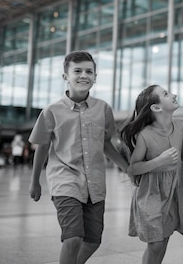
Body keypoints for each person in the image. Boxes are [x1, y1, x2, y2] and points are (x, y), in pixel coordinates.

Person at [28, 51, 129, 264]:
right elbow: (42, 146)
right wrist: (34, 181)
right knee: (73, 238)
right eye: (77, 71)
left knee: (93, 241)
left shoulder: (103, 109)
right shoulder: (51, 111)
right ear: (66, 76)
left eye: (89, 71)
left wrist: (126, 168)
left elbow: (105, 143)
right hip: (64, 180)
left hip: (95, 183)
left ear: (95, 76)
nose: (84, 75)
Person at [121, 85, 183, 264]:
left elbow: (182, 156)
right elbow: (133, 168)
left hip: (173, 191)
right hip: (150, 193)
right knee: (156, 244)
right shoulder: (144, 135)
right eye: (166, 94)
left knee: (164, 240)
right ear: (156, 107)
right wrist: (159, 161)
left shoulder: (181, 127)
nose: (173, 94)